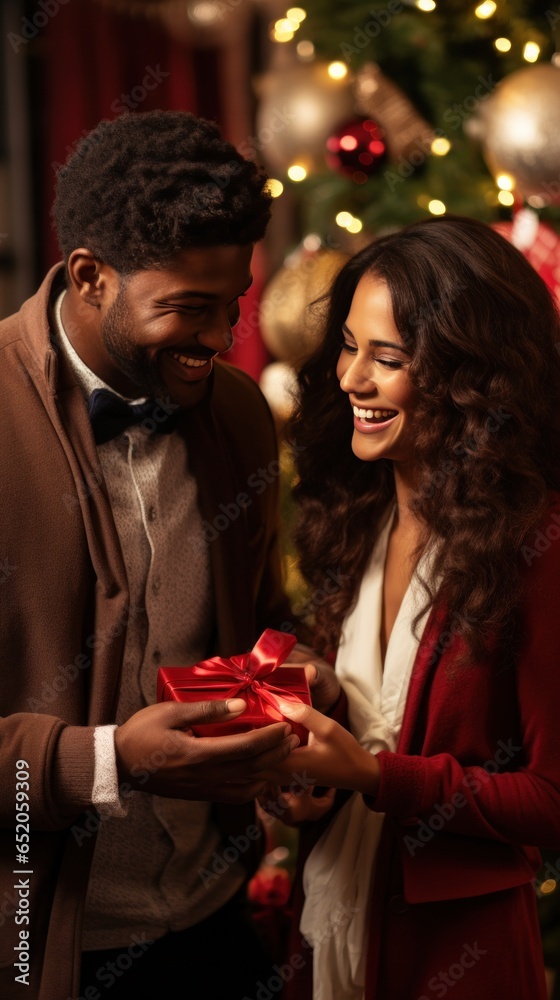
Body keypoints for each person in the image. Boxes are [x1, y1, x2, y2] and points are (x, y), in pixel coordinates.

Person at [0, 109, 323, 1000]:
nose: (221, 341)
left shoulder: (241, 414)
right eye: (186, 309)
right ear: (90, 276)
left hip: (213, 918)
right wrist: (107, 761)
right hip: (34, 943)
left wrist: (292, 695)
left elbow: (261, 623)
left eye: (233, 305)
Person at [261, 214, 560, 1000]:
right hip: (327, 921)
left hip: (459, 957)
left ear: (472, 377)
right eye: (350, 347)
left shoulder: (537, 546)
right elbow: (366, 729)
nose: (352, 379)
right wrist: (314, 745)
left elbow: (551, 798)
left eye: (387, 359)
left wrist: (372, 773)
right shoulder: (355, 517)